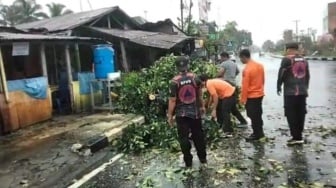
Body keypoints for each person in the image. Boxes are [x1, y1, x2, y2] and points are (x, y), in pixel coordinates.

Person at [167, 56, 207, 168]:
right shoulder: (195, 78)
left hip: (181, 114)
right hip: (195, 113)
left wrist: (170, 115)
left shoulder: (174, 82)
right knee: (198, 135)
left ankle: (188, 161)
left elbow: (172, 100)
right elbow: (200, 94)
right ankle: (203, 158)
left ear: (176, 67)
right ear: (187, 65)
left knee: (183, 138)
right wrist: (202, 106)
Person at [277, 42, 310, 145]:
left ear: (288, 49)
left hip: (290, 92)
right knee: (301, 113)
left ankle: (295, 137)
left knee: (291, 114)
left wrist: (278, 85)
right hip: (302, 91)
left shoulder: (286, 59)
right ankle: (299, 136)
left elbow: (281, 73)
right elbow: (308, 75)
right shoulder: (304, 60)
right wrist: (305, 87)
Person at [239, 49, 266, 141]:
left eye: (241, 58)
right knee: (258, 114)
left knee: (252, 115)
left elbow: (245, 85)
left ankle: (257, 134)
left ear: (243, 57)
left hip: (251, 96)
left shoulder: (247, 69)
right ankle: (260, 133)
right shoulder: (260, 66)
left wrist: (243, 99)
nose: (241, 60)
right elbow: (263, 80)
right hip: (259, 94)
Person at [217, 51, 248, 127]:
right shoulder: (233, 63)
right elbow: (237, 71)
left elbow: (220, 73)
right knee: (232, 107)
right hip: (233, 86)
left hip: (226, 85)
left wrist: (215, 76)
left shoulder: (224, 64)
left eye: (221, 58)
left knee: (224, 108)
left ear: (224, 57)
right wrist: (232, 76)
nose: (220, 59)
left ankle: (225, 125)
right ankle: (243, 122)